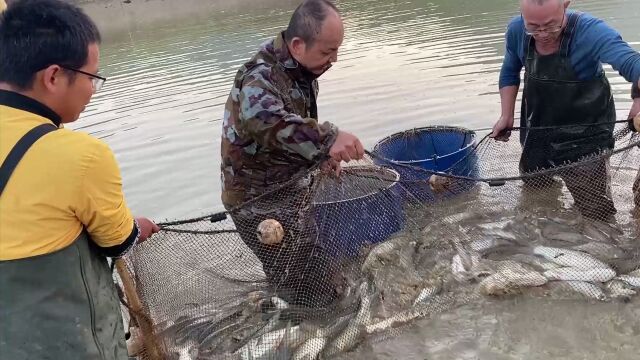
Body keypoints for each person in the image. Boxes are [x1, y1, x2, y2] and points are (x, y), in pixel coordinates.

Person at [0, 1, 160, 359]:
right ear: (53, 76)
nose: (92, 90)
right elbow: (118, 240)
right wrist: (138, 227)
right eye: (92, 77)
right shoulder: (82, 156)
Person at [220, 0, 364, 308]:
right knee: (312, 293)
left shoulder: (299, 69)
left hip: (288, 192)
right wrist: (329, 139)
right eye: (327, 51)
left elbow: (290, 132)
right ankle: (299, 332)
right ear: (298, 44)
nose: (334, 59)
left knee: (314, 276)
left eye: (337, 50)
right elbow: (265, 120)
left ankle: (294, 313)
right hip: (257, 203)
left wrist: (319, 157)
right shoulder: (260, 77)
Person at [491, 0, 640, 220]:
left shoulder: (591, 31)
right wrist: (506, 115)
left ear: (565, 4)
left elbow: (632, 63)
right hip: (538, 127)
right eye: (532, 26)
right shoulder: (516, 30)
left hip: (586, 134)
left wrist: (638, 97)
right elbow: (510, 70)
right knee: (535, 187)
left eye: (551, 25)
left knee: (596, 212)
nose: (541, 33)